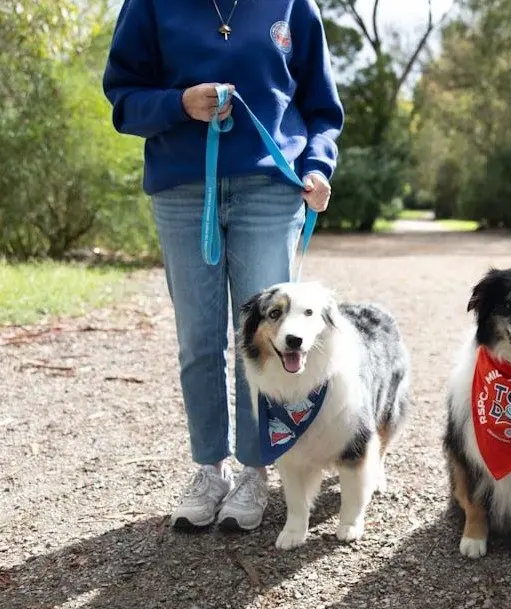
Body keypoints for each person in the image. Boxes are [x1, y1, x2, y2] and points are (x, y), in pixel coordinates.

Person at [103, 0, 344, 532]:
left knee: (266, 337)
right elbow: (123, 99)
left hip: (271, 189)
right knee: (198, 337)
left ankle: (255, 470)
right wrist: (177, 105)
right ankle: (209, 470)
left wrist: (318, 166)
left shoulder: (293, 5)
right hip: (183, 190)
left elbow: (322, 107)